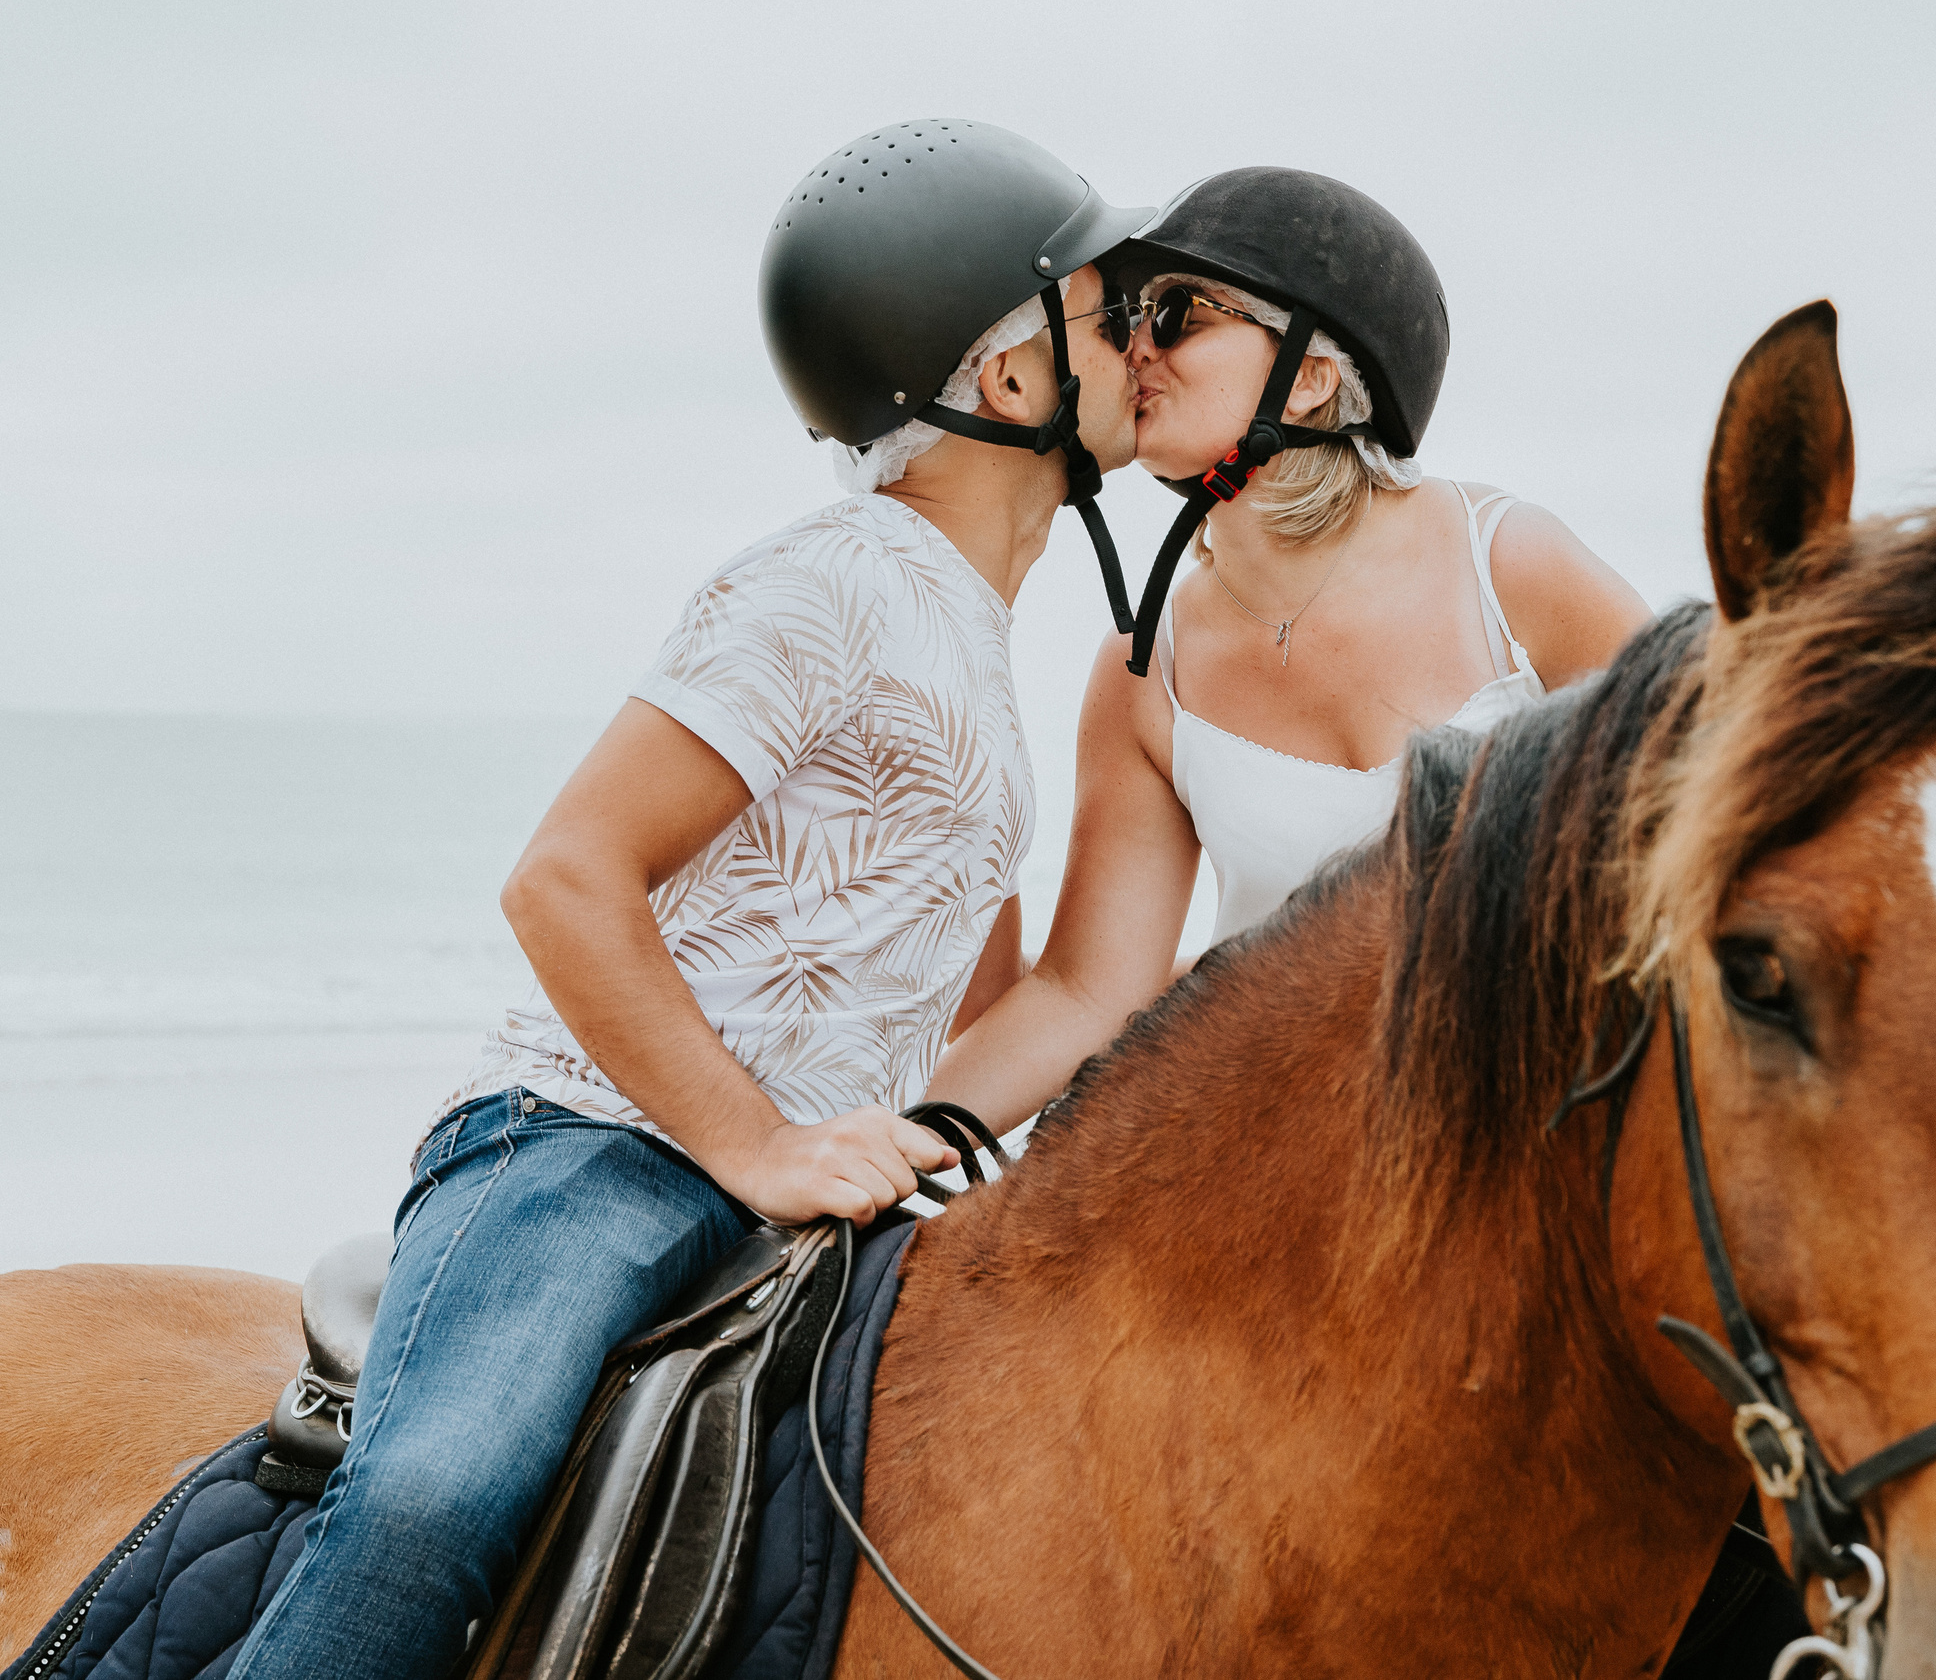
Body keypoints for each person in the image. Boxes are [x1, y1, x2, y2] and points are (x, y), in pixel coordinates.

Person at [226, 119, 1151, 1680]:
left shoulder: (979, 649)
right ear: (1008, 378)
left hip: (802, 1199)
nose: (1141, 334)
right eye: (1108, 305)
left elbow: (968, 1005)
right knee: (435, 1500)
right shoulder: (837, 573)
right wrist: (761, 1141)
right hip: (591, 1148)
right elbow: (566, 877)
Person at [924, 167, 1652, 1133]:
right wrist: (886, 1147)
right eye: (1131, 314)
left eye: (1178, 313)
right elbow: (1083, 998)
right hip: (1288, 1161)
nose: (1132, 347)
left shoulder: (1509, 568)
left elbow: (1720, 818)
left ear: (1310, 377)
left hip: (1547, 1137)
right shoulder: (1147, 669)